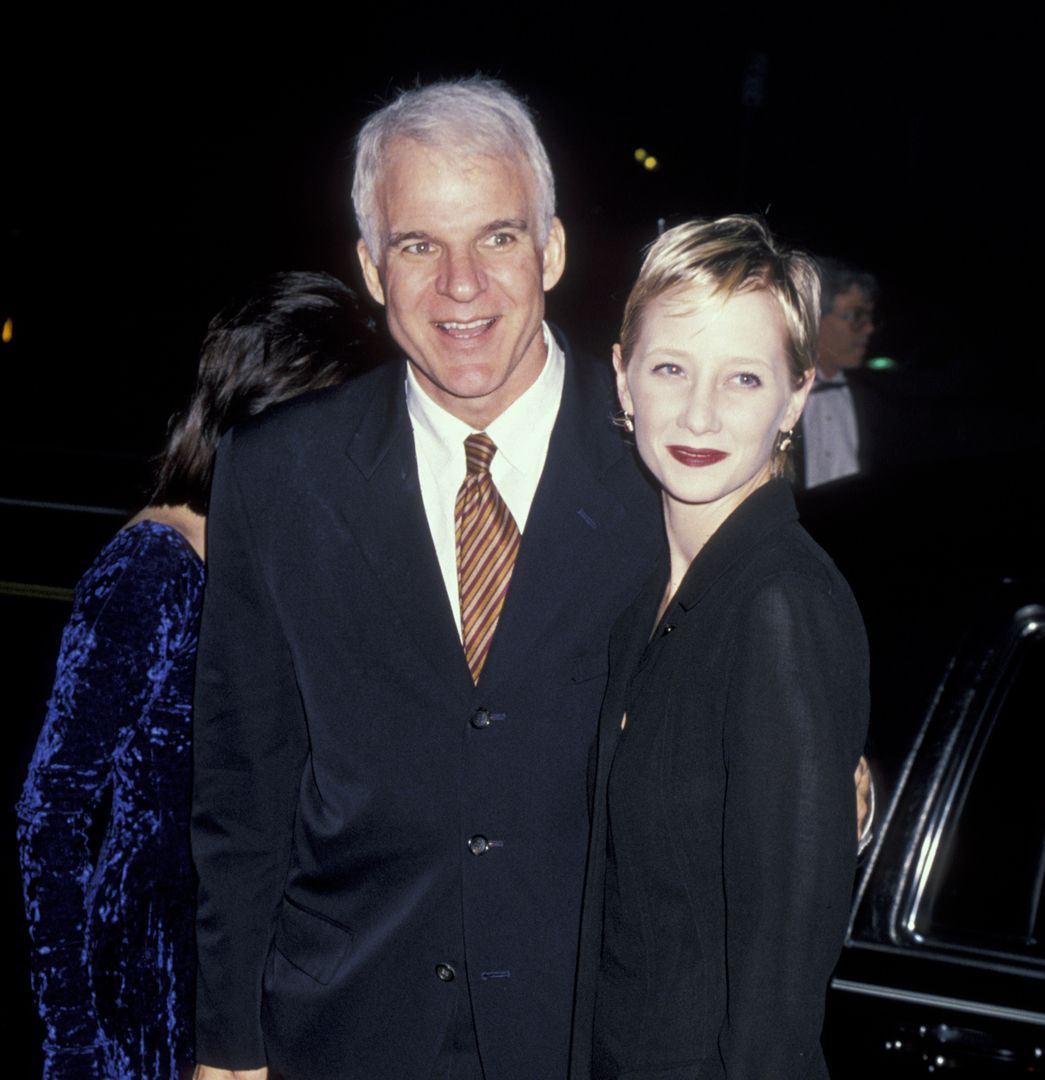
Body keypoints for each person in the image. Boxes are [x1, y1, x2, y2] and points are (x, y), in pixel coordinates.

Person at [191, 80, 871, 1080]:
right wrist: (228, 1047)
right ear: (372, 269)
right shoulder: (279, 472)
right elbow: (243, 785)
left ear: (550, 250)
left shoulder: (673, 457)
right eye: (419, 245)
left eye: (498, 238)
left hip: (579, 1035)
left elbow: (769, 657)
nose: (461, 284)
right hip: (340, 1033)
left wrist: (833, 766)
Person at [17, 271, 372, 1080]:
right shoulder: (155, 566)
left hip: (255, 968)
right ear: (272, 413)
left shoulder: (278, 551)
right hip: (153, 984)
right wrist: (72, 1044)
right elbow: (50, 813)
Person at [571, 217, 870, 1079]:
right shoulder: (643, 592)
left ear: (795, 398)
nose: (699, 413)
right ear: (624, 379)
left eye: (744, 377)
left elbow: (781, 985)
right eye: (671, 368)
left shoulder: (779, 604)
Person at [798, 256, 880, 487]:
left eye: (869, 316)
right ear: (815, 320)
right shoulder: (776, 401)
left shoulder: (876, 398)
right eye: (855, 316)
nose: (869, 328)